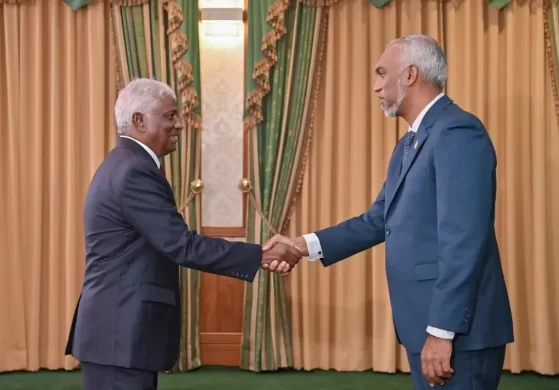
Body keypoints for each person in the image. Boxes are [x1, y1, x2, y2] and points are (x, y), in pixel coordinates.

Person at [263, 35, 514, 390]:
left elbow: (464, 241)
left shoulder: (457, 131)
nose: (376, 86)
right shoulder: (409, 143)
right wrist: (301, 245)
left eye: (382, 73)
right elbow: (378, 220)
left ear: (410, 74)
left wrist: (442, 330)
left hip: (457, 333)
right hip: (425, 325)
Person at [65, 78, 299, 390]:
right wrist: (262, 254)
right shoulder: (134, 171)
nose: (178, 125)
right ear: (139, 120)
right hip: (120, 335)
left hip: (117, 334)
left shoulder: (122, 163)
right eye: (170, 116)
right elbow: (182, 245)